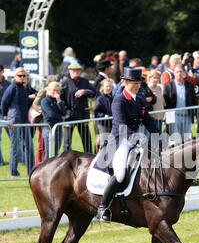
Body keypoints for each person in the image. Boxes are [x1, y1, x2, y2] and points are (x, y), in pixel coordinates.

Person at [96, 67, 159, 222]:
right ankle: (103, 207)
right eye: (133, 83)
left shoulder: (139, 99)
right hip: (120, 141)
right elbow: (121, 125)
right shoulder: (119, 99)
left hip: (135, 140)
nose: (137, 86)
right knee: (121, 173)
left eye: (138, 83)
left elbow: (148, 120)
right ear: (125, 82)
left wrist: (160, 135)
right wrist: (138, 139)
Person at [1, 67, 34, 175]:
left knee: (29, 146)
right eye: (20, 75)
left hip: (24, 121)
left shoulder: (23, 88)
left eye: (24, 76)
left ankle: (31, 169)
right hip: (14, 121)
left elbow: (24, 103)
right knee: (15, 147)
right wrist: (5, 116)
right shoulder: (12, 88)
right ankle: (13, 170)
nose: (22, 77)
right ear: (15, 76)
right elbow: (4, 102)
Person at [60, 63, 96, 153]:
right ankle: (65, 161)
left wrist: (85, 91)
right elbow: (60, 98)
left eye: (77, 71)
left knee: (86, 141)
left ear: (80, 71)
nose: (75, 72)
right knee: (67, 143)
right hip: (69, 116)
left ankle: (89, 159)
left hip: (82, 115)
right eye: (73, 71)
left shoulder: (85, 81)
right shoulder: (65, 82)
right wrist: (65, 109)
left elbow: (93, 92)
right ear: (69, 71)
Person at [163, 63, 198, 144]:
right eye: (177, 72)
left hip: (187, 116)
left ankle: (185, 156)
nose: (179, 73)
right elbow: (165, 101)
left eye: (180, 72)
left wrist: (194, 114)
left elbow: (194, 100)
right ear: (174, 73)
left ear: (184, 73)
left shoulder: (190, 85)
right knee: (173, 140)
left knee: (186, 141)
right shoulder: (169, 86)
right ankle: (173, 156)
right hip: (173, 116)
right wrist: (166, 114)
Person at [182, 50, 199, 135]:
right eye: (198, 58)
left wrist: (194, 77)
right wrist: (183, 60)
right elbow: (178, 70)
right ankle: (188, 140)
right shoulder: (187, 66)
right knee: (188, 118)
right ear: (194, 58)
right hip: (189, 95)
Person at [32, 75, 58, 163]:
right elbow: (35, 104)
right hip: (43, 122)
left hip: (53, 122)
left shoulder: (56, 92)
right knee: (41, 144)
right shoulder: (43, 91)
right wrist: (45, 112)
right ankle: (38, 162)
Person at [41, 81, 66, 158]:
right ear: (49, 90)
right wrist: (61, 119)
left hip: (58, 128)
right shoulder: (45, 101)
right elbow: (51, 114)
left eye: (57, 90)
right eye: (54, 90)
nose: (56, 92)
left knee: (56, 153)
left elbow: (63, 112)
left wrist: (59, 101)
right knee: (49, 153)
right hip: (49, 128)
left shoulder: (57, 100)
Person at [93, 78, 114, 151]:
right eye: (107, 86)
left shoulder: (113, 98)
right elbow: (96, 111)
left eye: (110, 86)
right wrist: (103, 115)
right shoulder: (100, 99)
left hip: (112, 123)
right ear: (102, 88)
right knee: (104, 142)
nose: (108, 88)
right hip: (103, 124)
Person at [0, 65, 10, 165]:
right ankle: (0, 161)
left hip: (6, 115)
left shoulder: (8, 84)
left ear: (2, 72)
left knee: (13, 137)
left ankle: (20, 159)